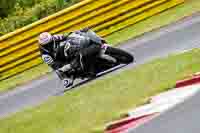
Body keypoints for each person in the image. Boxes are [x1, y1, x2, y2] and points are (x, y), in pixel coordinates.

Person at [38, 28, 116, 88]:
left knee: (83, 36)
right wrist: (64, 77)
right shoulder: (45, 55)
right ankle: (79, 70)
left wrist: (77, 33)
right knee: (66, 73)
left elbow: (67, 36)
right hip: (62, 61)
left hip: (65, 51)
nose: (50, 44)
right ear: (44, 45)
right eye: (47, 44)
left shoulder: (54, 38)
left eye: (50, 41)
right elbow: (55, 66)